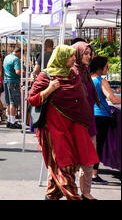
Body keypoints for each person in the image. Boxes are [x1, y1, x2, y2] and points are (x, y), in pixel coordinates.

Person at [28, 45, 99, 200]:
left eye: (74, 56)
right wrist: (49, 90)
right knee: (64, 165)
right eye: (70, 56)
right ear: (60, 57)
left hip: (73, 127)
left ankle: (51, 196)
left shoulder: (73, 74)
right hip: (53, 129)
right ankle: (74, 197)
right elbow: (32, 99)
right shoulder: (46, 76)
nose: (74, 59)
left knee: (70, 165)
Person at [71, 41, 101, 199]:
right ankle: (71, 191)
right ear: (77, 53)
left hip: (90, 124)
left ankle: (86, 192)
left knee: (89, 162)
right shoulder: (71, 73)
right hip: (76, 124)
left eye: (90, 53)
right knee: (74, 162)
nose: (89, 56)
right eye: (85, 53)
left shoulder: (87, 72)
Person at [90, 56, 121, 185]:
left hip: (91, 114)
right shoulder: (101, 81)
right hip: (101, 115)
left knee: (92, 144)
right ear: (100, 68)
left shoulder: (88, 79)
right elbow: (112, 99)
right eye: (106, 66)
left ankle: (89, 173)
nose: (107, 68)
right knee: (98, 145)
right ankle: (94, 174)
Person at [3, 47, 22, 129]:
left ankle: (10, 120)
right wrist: (23, 75)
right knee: (13, 102)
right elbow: (18, 72)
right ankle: (13, 121)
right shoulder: (16, 59)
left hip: (6, 80)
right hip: (13, 81)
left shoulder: (7, 57)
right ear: (19, 52)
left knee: (8, 102)